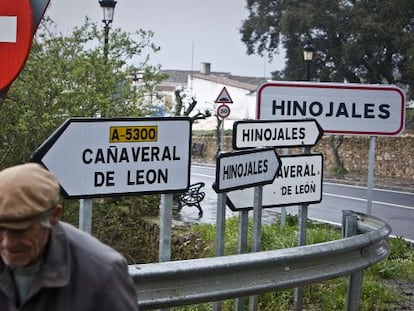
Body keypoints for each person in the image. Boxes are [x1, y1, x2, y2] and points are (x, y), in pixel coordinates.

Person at [0, 163, 139, 310]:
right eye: (1, 229)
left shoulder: (103, 274)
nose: (8, 243)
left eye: (21, 230)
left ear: (54, 216)